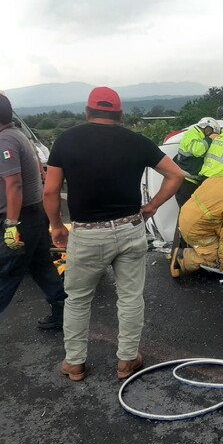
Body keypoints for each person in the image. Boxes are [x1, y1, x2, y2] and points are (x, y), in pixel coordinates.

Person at [43, 87, 183, 381]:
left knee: (78, 299)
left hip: (87, 233)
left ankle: (75, 363)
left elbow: (51, 190)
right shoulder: (136, 141)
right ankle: (126, 361)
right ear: (120, 114)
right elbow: (176, 175)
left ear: (87, 111)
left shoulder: (66, 141)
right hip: (130, 228)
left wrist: (56, 225)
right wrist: (153, 205)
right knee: (131, 298)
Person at [0, 93, 66, 347]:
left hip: (17, 221)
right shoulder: (17, 135)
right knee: (41, 266)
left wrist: (10, 224)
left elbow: (14, 184)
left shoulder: (3, 142)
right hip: (33, 216)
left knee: (2, 273)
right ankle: (63, 313)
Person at [173, 117, 222, 207]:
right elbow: (197, 150)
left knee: (190, 214)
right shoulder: (192, 133)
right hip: (186, 182)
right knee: (186, 214)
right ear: (208, 128)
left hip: (190, 182)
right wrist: (210, 139)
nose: (211, 135)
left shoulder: (198, 135)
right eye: (212, 132)